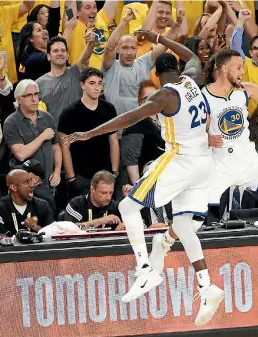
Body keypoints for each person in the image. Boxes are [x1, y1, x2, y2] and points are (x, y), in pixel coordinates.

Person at [64, 31, 224, 326]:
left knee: (127, 207)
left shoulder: (164, 95)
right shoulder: (191, 78)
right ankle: (206, 285)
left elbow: (128, 118)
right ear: (176, 67)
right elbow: (190, 56)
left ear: (156, 73)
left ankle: (145, 268)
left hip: (182, 160)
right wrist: (158, 37)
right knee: (184, 227)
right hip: (205, 164)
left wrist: (88, 134)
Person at [154, 49, 258, 292]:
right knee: (190, 223)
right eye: (238, 66)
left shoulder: (246, 90)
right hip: (219, 165)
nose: (242, 71)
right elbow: (189, 129)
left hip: (247, 160)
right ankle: (164, 242)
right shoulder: (202, 97)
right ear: (224, 68)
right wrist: (207, 137)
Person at [58, 68, 120, 198]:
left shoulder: (109, 109)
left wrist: (114, 172)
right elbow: (65, 147)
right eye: (92, 83)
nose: (97, 87)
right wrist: (71, 178)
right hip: (81, 175)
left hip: (106, 174)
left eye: (99, 83)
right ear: (82, 85)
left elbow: (113, 141)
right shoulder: (69, 113)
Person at [3, 79, 62, 190]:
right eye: (29, 95)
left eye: (36, 94)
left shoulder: (47, 117)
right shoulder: (11, 122)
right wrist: (43, 137)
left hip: (47, 184)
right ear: (19, 99)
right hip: (23, 187)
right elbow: (21, 154)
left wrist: (57, 171)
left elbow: (56, 148)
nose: (34, 99)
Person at [36, 35, 94, 125]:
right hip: (55, 136)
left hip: (80, 133)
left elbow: (85, 58)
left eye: (63, 50)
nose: (60, 53)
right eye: (55, 51)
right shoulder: (39, 83)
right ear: (48, 56)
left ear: (67, 55)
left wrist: (91, 42)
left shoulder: (76, 71)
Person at [0, 169, 54, 235]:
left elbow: (52, 235)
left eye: (31, 180)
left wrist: (35, 227)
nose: (32, 185)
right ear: (14, 187)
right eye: (27, 182)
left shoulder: (42, 205)